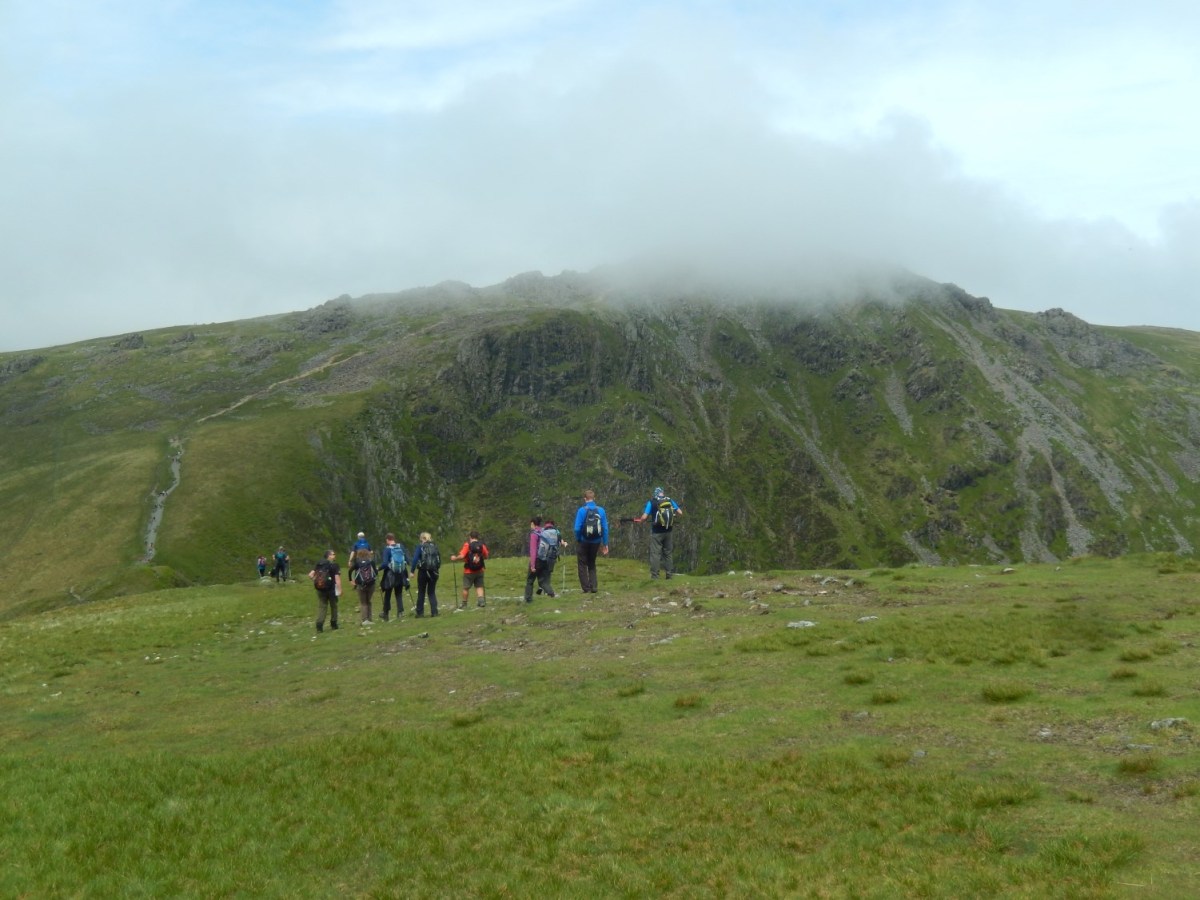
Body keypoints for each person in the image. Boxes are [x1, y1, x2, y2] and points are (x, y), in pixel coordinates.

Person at [633, 486, 684, 579]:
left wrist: (640, 520)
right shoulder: (670, 501)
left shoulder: (651, 502)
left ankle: (655, 576)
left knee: (655, 553)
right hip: (668, 531)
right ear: (663, 493)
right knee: (668, 553)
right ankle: (669, 575)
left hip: (657, 532)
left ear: (655, 494)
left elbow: (644, 517)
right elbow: (680, 513)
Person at [573, 489, 609, 594]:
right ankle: (594, 587)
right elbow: (605, 528)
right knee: (592, 563)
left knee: (582, 563)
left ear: (585, 499)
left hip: (584, 540)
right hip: (596, 541)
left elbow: (577, 528)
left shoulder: (581, 510)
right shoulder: (601, 510)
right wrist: (605, 543)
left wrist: (579, 538)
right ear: (594, 498)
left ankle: (586, 588)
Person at [524, 517, 559, 602]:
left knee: (530, 580)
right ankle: (551, 594)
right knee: (543, 581)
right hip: (545, 559)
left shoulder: (534, 534)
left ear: (533, 524)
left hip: (536, 560)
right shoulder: (544, 531)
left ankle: (528, 599)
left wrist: (532, 565)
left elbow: (533, 551)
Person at [450, 530, 489, 608]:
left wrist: (455, 558)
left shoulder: (467, 545)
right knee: (479, 586)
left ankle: (464, 604)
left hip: (469, 571)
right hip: (480, 570)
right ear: (477, 537)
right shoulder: (482, 545)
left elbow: (462, 556)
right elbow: (486, 555)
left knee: (466, 587)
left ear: (470, 537)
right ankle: (481, 602)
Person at [308, 550, 342, 633]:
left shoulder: (319, 563)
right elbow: (337, 578)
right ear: (329, 556)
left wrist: (317, 581)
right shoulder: (334, 565)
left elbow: (310, 575)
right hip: (331, 589)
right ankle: (334, 624)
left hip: (320, 589)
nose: (335, 556)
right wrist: (340, 589)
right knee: (334, 606)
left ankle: (319, 626)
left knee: (322, 606)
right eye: (333, 554)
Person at [410, 532, 441, 617]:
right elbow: (439, 560)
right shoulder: (435, 546)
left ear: (422, 538)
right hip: (434, 572)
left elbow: (415, 559)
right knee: (431, 592)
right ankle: (434, 612)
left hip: (423, 572)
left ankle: (420, 613)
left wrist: (412, 571)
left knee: (421, 592)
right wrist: (436, 570)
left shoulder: (420, 547)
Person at [380, 532, 409, 621]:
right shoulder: (401, 547)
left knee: (388, 594)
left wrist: (378, 568)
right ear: (394, 538)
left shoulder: (387, 549)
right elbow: (407, 559)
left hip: (390, 575)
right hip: (401, 573)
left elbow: (385, 563)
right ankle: (400, 612)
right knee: (398, 594)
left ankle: (386, 614)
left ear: (387, 540)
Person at [348, 540, 377, 624]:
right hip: (371, 584)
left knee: (363, 602)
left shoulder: (357, 562)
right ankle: (370, 619)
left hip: (360, 585)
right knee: (369, 601)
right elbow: (376, 572)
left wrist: (351, 580)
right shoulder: (371, 562)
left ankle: (364, 620)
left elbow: (350, 571)